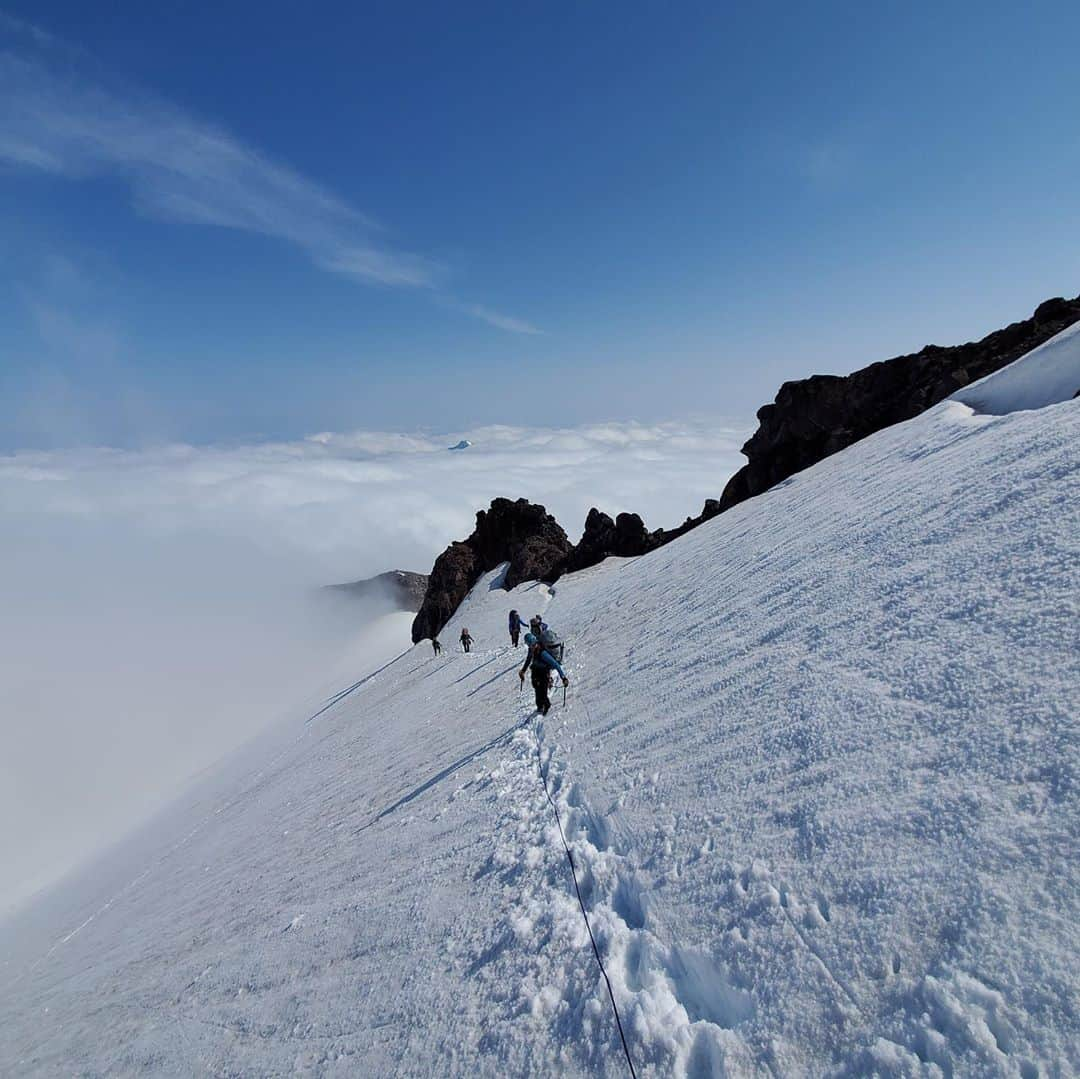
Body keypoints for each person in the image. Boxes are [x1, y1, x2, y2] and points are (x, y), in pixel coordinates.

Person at [519, 632, 568, 715]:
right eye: (530, 645)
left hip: (543, 673)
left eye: (532, 645)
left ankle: (546, 706)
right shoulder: (532, 649)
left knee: (542, 691)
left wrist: (563, 678)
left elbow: (555, 664)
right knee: (537, 690)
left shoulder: (543, 653)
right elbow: (528, 659)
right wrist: (523, 670)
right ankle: (539, 707)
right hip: (535, 671)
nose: (531, 647)